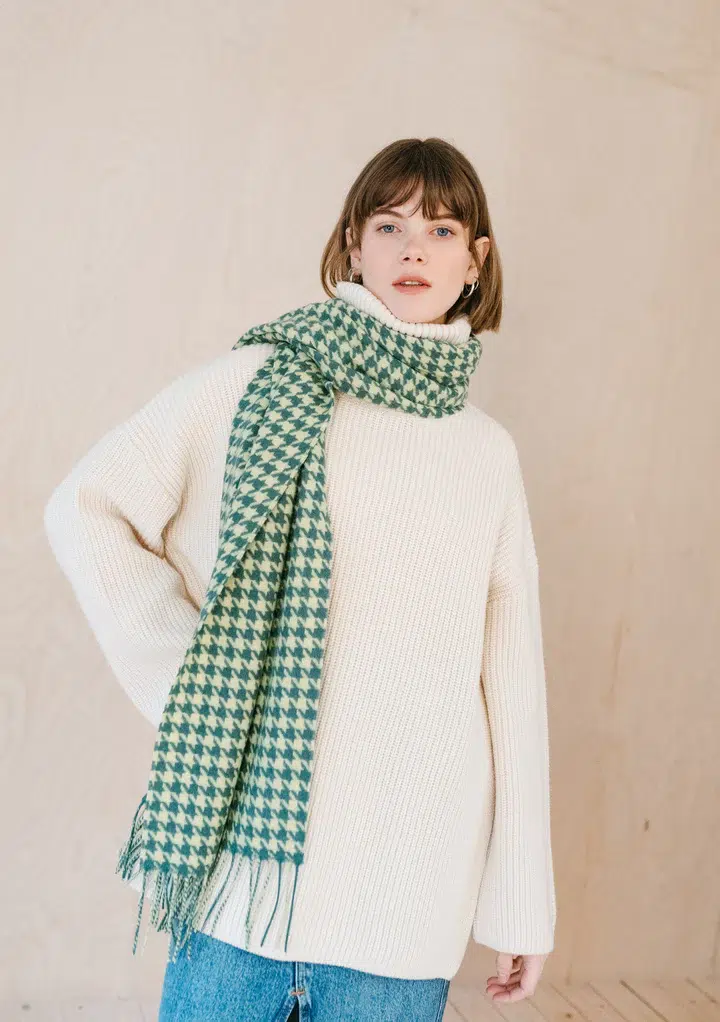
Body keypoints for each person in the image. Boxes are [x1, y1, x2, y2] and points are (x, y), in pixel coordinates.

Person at [43, 136, 556, 1022]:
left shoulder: (486, 455)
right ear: (352, 243)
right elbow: (88, 506)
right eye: (389, 224)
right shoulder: (256, 386)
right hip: (241, 890)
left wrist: (522, 903)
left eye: (441, 229)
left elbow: (510, 682)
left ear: (475, 262)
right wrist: (198, 682)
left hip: (406, 892)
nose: (412, 249)